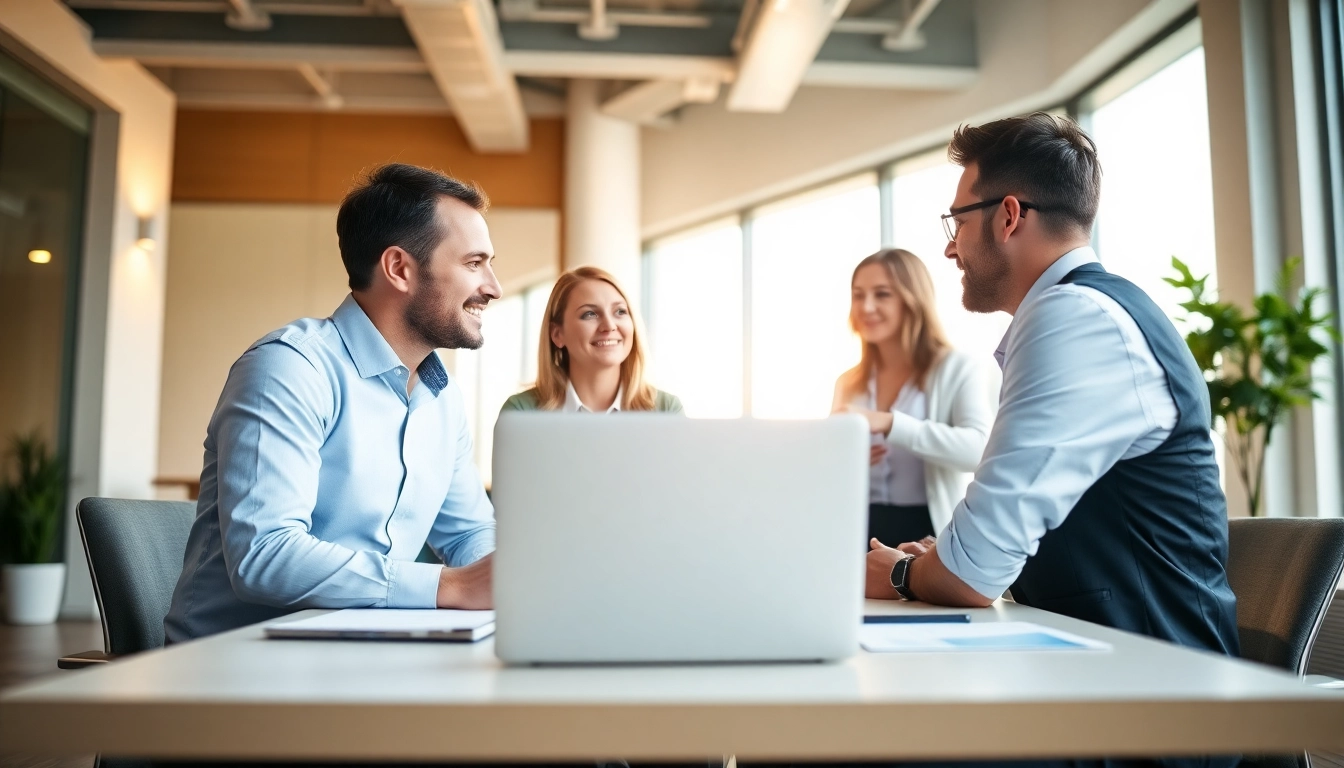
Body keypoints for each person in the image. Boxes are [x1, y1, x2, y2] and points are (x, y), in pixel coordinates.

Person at [865, 113, 1239, 666]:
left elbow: (974, 573)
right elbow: (984, 546)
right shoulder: (1089, 309)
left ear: (1009, 216)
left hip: (1154, 702)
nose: (950, 249)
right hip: (1111, 670)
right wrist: (938, 562)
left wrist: (900, 573)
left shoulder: (1072, 316)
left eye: (957, 222)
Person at [164, 163, 500, 642]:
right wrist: (451, 585)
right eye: (474, 263)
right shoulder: (290, 369)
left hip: (366, 653)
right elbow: (265, 555)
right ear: (400, 269)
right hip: (239, 671)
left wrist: (503, 578)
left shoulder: (441, 400)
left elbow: (469, 535)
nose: (493, 286)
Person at [832, 249, 995, 549]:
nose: (866, 306)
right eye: (858, 295)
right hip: (855, 533)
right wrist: (841, 462)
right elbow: (830, 471)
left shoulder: (958, 368)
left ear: (913, 298)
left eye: (882, 294)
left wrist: (890, 423)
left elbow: (979, 451)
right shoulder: (848, 382)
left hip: (928, 537)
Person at [501, 266, 683, 414]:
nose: (610, 325)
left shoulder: (666, 410)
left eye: (620, 311)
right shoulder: (522, 412)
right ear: (557, 334)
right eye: (590, 314)